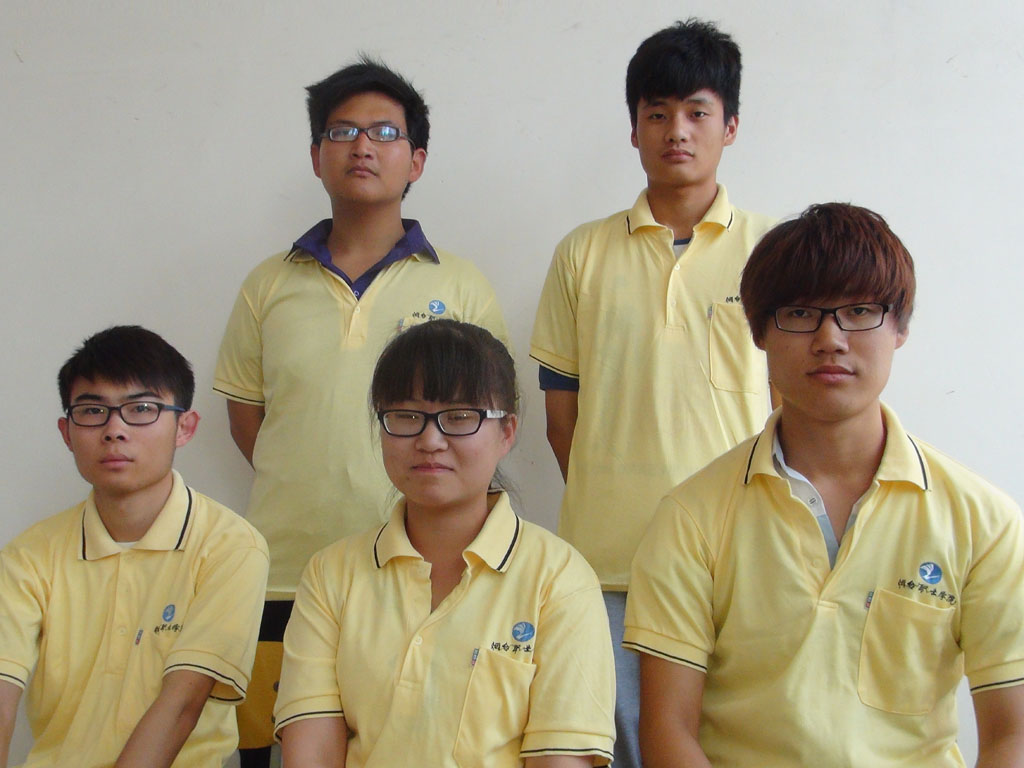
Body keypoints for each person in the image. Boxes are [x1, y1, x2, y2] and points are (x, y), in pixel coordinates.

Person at [624, 203, 1024, 767]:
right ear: (759, 332)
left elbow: (1012, 735)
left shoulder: (983, 521)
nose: (830, 338)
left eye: (859, 310)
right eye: (800, 313)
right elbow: (668, 730)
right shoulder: (692, 517)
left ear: (900, 328)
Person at [213, 58, 507, 764]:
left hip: (420, 576)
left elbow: (484, 421)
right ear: (317, 155)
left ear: (417, 160)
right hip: (282, 573)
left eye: (384, 132)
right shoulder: (267, 285)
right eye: (342, 131)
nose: (363, 146)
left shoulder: (460, 284)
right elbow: (249, 420)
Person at [529, 18, 775, 766]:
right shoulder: (582, 252)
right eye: (657, 113)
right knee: (627, 743)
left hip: (742, 554)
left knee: (740, 739)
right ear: (633, 128)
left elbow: (791, 410)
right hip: (608, 561)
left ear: (731, 126)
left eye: (698, 112)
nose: (678, 131)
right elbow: (561, 420)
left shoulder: (772, 252)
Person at [273, 319, 615, 767]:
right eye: (406, 416)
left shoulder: (560, 580)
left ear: (507, 432)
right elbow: (311, 752)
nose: (430, 440)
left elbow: (561, 760)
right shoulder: (330, 574)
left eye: (459, 417)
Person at [0, 325, 269, 768]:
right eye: (93, 411)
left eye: (141, 409)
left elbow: (183, 703)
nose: (115, 430)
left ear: (184, 427)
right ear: (67, 432)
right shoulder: (28, 557)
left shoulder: (231, 547)